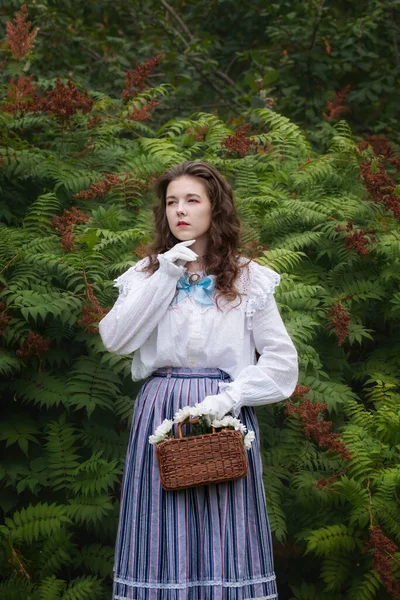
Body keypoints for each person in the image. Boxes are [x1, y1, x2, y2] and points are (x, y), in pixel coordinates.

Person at [99, 160, 299, 600]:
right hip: (159, 412)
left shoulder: (248, 279)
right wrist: (166, 275)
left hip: (223, 415)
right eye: (172, 202)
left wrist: (232, 396)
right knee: (159, 521)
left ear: (216, 209)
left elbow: (283, 364)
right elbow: (115, 338)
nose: (180, 210)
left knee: (223, 521)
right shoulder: (148, 274)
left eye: (192, 200)